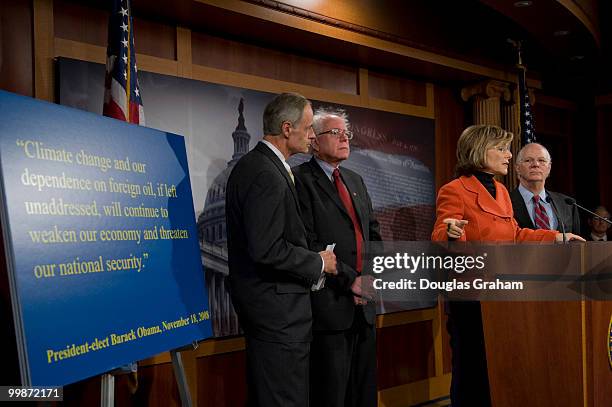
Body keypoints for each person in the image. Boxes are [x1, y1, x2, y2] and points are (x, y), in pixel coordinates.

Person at [430, 124, 583, 407]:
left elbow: (516, 234)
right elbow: (442, 232)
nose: (509, 155)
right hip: (472, 297)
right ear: (479, 151)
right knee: (471, 368)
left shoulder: (501, 192)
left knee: (499, 366)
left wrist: (558, 236)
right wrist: (451, 231)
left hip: (502, 295)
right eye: (501, 149)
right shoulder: (455, 190)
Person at [225, 92, 337, 407]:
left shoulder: (261, 166)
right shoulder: (263, 172)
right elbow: (267, 247)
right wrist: (317, 262)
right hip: (277, 316)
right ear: (287, 129)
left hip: (274, 314)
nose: (314, 135)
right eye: (309, 127)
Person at [293, 107, 381, 407]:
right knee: (330, 395)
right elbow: (308, 241)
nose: (345, 138)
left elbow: (373, 232)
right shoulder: (300, 180)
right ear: (314, 141)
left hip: (365, 307)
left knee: (363, 393)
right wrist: (351, 281)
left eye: (347, 133)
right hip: (329, 307)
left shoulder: (355, 180)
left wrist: (371, 277)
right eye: (335, 133)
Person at [509, 142, 580, 233]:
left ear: (549, 168)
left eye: (541, 160)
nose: (535, 164)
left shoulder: (567, 204)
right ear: (517, 168)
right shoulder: (505, 202)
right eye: (528, 160)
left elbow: (576, 244)